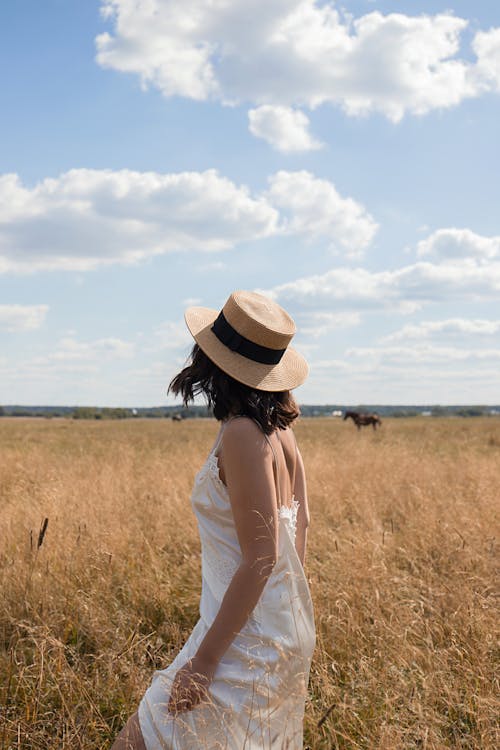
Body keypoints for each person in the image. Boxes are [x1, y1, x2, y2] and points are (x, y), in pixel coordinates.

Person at [111, 290, 316, 749]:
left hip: (242, 638)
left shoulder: (245, 432)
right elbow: (300, 527)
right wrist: (285, 612)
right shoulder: (281, 431)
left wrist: (203, 663)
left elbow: (262, 555)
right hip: (272, 625)